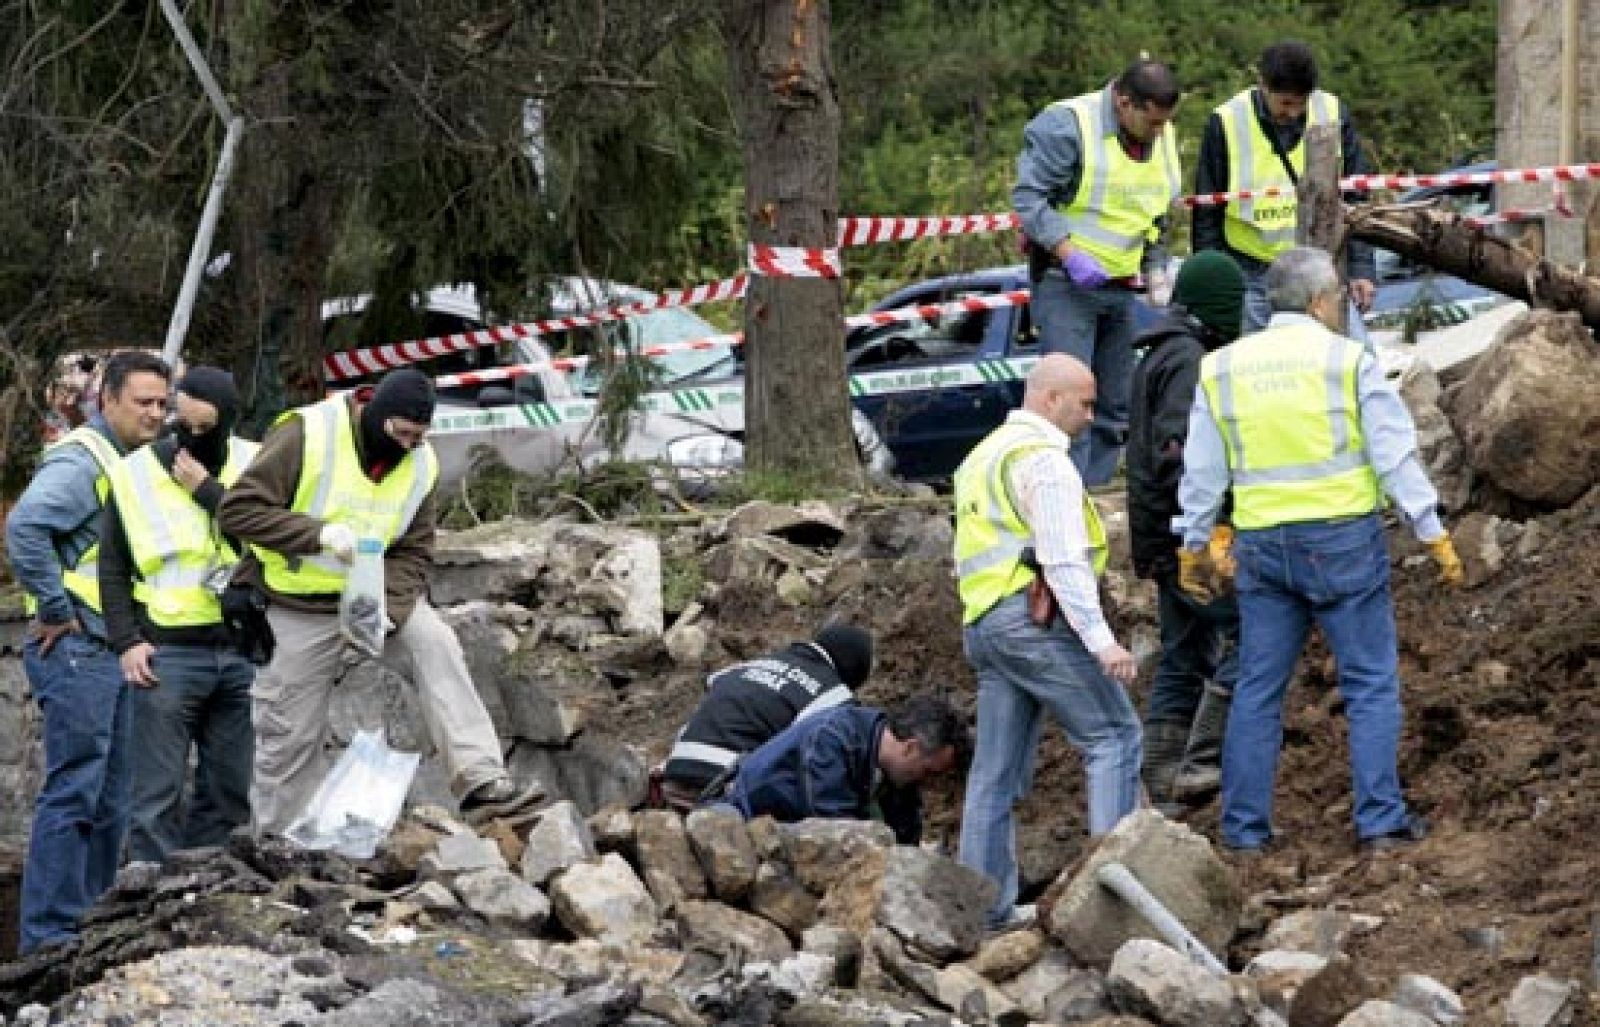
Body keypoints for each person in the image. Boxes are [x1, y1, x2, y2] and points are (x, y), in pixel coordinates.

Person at [1175, 246, 1464, 854]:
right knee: (1369, 683)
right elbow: (1392, 453)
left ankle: (1244, 830)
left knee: (1257, 687)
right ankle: (1380, 822)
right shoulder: (1347, 361)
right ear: (1317, 302)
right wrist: (1430, 528)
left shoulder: (1223, 369)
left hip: (1263, 547)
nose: (1337, 305)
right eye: (1334, 296)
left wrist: (1194, 543)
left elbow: (1201, 468)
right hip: (1341, 544)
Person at [217, 369, 543, 835]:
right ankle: (280, 841)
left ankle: (480, 779)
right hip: (295, 603)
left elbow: (415, 548)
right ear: (374, 414)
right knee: (287, 734)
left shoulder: (420, 464)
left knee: (435, 643)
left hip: (371, 600)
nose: (408, 447)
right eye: (401, 434)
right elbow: (239, 511)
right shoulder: (307, 434)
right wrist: (318, 535)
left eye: (419, 437)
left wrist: (387, 608)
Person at [954, 353, 1143, 929]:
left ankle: (981, 914)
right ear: (1050, 399)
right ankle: (1109, 908)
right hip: (1027, 622)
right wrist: (1101, 641)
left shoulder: (982, 455)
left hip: (985, 624)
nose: (1091, 415)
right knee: (1114, 736)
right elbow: (1063, 559)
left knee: (994, 775)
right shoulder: (1045, 463)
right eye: (1084, 403)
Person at [5, 350, 170, 953]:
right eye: (143, 403)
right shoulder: (84, 460)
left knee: (110, 796)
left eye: (162, 403)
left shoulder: (129, 460)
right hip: (77, 649)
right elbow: (25, 528)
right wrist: (53, 608)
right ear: (109, 401)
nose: (156, 414)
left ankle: (92, 929)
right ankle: (48, 938)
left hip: (112, 647)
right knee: (77, 790)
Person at [99, 367, 261, 863]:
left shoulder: (256, 462)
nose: (190, 437)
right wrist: (126, 641)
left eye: (205, 428)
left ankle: (205, 898)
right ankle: (151, 909)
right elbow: (112, 564)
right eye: (182, 423)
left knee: (229, 792)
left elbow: (274, 543)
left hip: (241, 648)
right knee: (155, 798)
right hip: (167, 654)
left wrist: (210, 493)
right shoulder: (134, 472)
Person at [1013, 58, 1183, 485]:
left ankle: (1097, 494)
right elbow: (1029, 198)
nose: (1159, 132)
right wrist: (1067, 252)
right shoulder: (1067, 126)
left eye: (1165, 123)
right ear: (1124, 103)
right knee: (1067, 407)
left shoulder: (1161, 136)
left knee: (1113, 408)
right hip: (1066, 285)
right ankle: (1063, 497)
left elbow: (1155, 206)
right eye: (1153, 122)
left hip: (1123, 287)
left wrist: (1155, 264)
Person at [1126, 252, 1247, 811]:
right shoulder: (1189, 361)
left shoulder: (1162, 352)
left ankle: (1160, 775)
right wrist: (1211, 528)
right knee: (1251, 631)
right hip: (1188, 536)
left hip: (1160, 534)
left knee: (1184, 648)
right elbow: (1180, 454)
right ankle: (1203, 761)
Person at [1194, 41, 1378, 336]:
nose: (1293, 113)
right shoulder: (1227, 121)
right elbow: (1206, 212)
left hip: (1319, 270)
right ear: (1262, 85)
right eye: (1285, 104)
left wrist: (1362, 270)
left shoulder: (1332, 111)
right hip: (1251, 273)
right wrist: (1215, 286)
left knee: (1352, 356)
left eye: (1301, 102)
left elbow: (1357, 198)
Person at [659, 623, 873, 810]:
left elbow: (713, 683)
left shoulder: (750, 665)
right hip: (724, 785)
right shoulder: (834, 695)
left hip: (675, 771)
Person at [712, 695, 967, 845]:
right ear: (910, 748)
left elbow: (905, 838)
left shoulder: (895, 773)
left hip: (784, 835)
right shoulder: (833, 738)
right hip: (738, 822)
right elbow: (834, 829)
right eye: (929, 772)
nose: (928, 783)